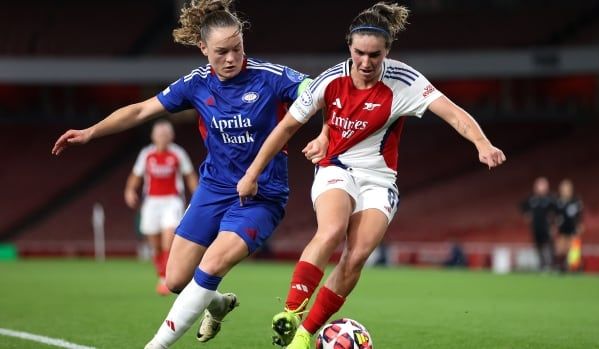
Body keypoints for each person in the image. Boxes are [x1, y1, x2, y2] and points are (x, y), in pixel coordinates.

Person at [236, 2, 506, 348]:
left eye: (374, 55)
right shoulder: (331, 79)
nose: (365, 63)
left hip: (379, 180)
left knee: (358, 254)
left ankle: (303, 338)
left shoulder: (405, 82)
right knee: (332, 229)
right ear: (349, 46)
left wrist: (482, 144)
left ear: (387, 51)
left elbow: (453, 113)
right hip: (336, 168)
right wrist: (252, 173)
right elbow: (286, 126)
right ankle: (291, 312)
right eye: (359, 53)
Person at [52, 0, 315, 347]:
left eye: (237, 48)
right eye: (221, 52)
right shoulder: (196, 84)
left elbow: (313, 90)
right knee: (177, 279)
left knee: (214, 261)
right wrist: (90, 132)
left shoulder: (270, 77)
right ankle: (218, 304)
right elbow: (141, 110)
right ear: (203, 48)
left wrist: (322, 128)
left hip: (260, 195)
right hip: (214, 189)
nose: (232, 58)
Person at [125, 120, 198, 295]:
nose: (162, 137)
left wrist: (197, 197)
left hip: (172, 201)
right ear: (153, 136)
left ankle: (168, 278)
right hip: (151, 203)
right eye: (159, 134)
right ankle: (162, 275)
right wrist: (129, 190)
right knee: (155, 246)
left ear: (171, 136)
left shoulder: (178, 153)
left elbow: (190, 176)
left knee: (168, 240)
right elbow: (135, 175)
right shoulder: (146, 154)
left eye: (166, 134)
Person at [521, 177, 556, 271]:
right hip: (536, 228)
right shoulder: (532, 199)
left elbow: (555, 212)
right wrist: (526, 215)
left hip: (546, 228)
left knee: (548, 246)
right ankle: (542, 265)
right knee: (538, 247)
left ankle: (550, 265)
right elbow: (523, 206)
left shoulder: (550, 199)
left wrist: (553, 225)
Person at [554, 179, 584, 272]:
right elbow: (554, 215)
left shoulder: (576, 202)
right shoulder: (558, 202)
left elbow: (580, 215)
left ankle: (575, 268)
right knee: (560, 250)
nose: (565, 191)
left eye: (567, 189)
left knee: (574, 250)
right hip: (562, 229)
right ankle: (561, 267)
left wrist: (580, 224)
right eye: (563, 189)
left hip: (573, 229)